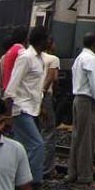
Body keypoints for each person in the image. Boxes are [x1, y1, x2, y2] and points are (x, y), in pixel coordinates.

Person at [3, 27, 48, 188]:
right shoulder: (25, 58)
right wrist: (8, 115)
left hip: (32, 108)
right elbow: (12, 87)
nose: (50, 42)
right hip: (21, 108)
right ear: (41, 40)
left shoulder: (40, 59)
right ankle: (31, 182)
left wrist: (41, 107)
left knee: (21, 147)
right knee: (37, 145)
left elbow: (35, 87)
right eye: (48, 39)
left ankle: (14, 180)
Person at [67, 32, 95, 190]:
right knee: (87, 141)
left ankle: (73, 173)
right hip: (88, 101)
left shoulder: (79, 58)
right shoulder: (92, 60)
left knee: (77, 138)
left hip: (78, 99)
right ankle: (85, 178)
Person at [40, 37, 60, 179]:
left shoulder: (36, 58)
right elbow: (54, 78)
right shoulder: (53, 59)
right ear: (50, 45)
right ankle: (47, 170)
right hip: (45, 96)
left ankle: (34, 166)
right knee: (49, 132)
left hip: (33, 97)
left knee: (37, 132)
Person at [1, 27, 28, 92]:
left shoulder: (11, 50)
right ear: (25, 38)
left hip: (7, 88)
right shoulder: (21, 51)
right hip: (15, 91)